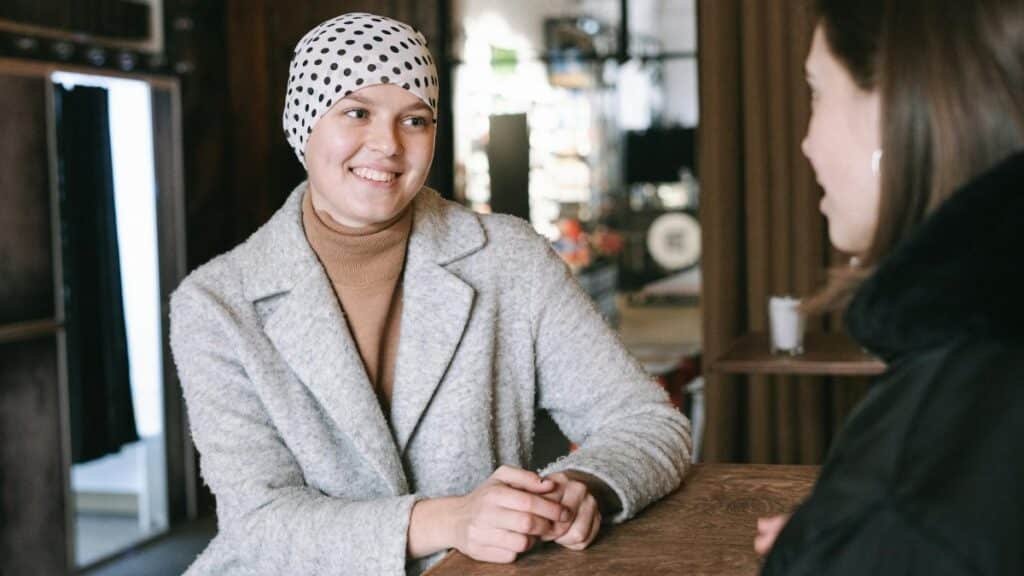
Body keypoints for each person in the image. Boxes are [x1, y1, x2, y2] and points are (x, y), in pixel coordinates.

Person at [169, 12, 691, 576]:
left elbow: (646, 419)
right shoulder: (216, 302)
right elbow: (259, 522)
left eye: (415, 120)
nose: (388, 145)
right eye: (357, 112)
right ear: (303, 122)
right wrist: (452, 520)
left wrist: (583, 485)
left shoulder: (508, 259)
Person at [755, 0, 1024, 573]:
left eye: (817, 91)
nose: (805, 143)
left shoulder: (903, 508)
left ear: (899, 110)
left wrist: (852, 540)